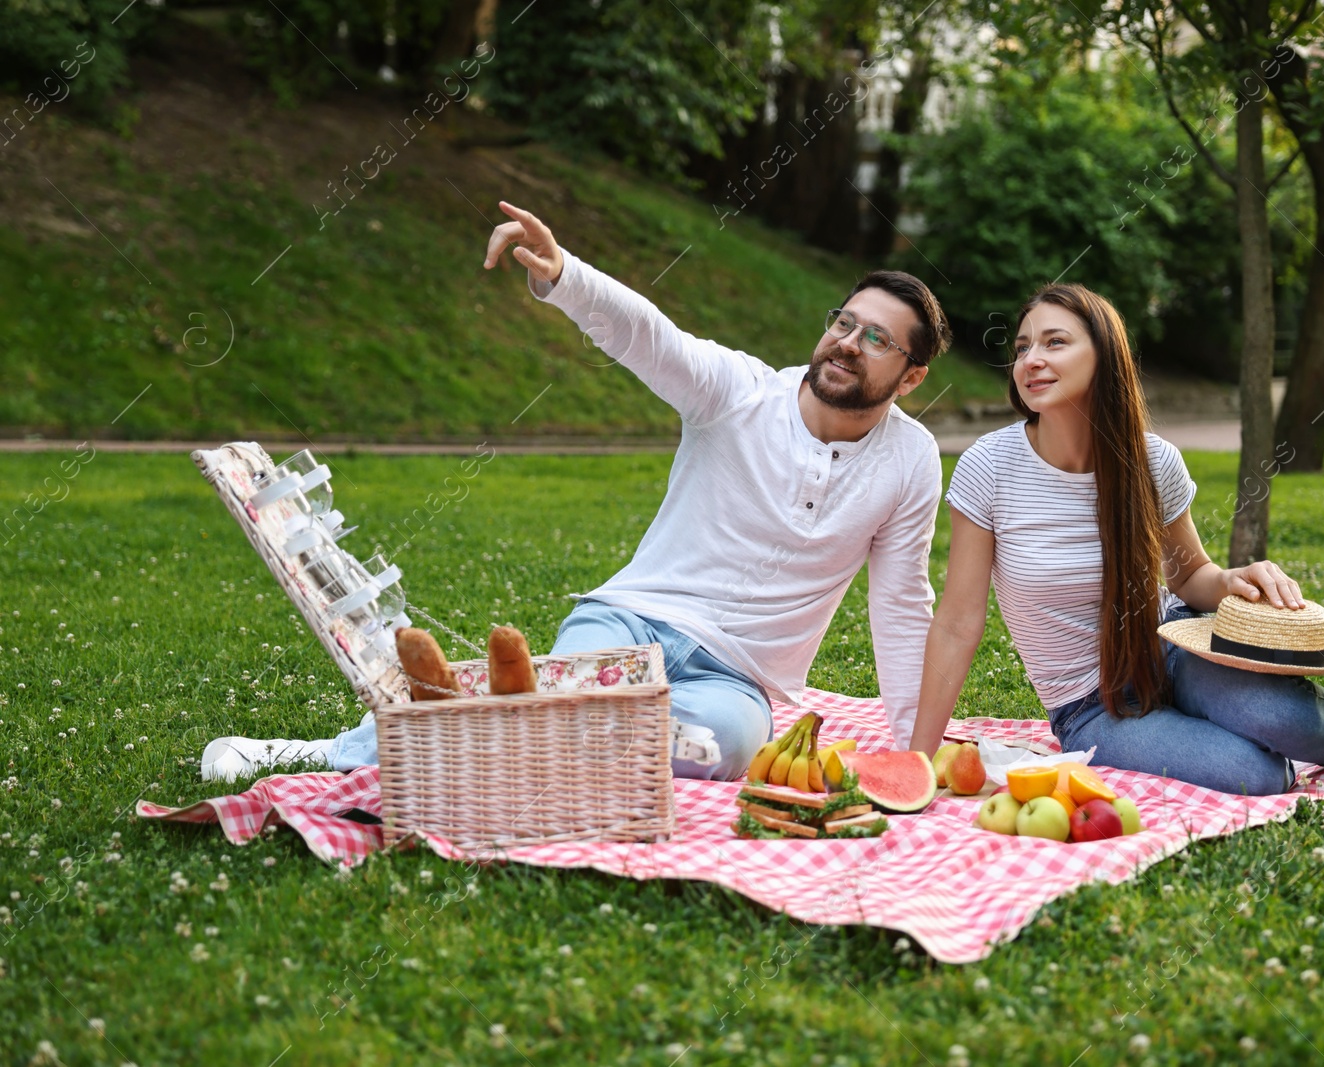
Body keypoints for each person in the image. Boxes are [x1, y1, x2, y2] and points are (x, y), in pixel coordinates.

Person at [202, 200, 951, 783]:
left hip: (740, 679)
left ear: (912, 375)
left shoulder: (912, 460)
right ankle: (330, 751)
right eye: (844, 321)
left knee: (722, 747)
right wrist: (565, 276)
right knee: (563, 704)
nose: (848, 342)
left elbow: (899, 602)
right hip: (631, 622)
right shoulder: (739, 391)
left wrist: (918, 748)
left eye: (877, 338)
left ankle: (511, 753)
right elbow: (653, 337)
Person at [907, 282, 1324, 795]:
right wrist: (918, 755)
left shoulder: (1153, 461)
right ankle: (1230, 736)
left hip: (1176, 650)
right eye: (1023, 347)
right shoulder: (990, 466)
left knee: (1292, 724)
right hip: (1090, 708)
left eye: (1054, 342)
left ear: (1106, 357)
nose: (1031, 358)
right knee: (1253, 774)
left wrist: (1238, 579)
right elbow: (959, 622)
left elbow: (1188, 577)